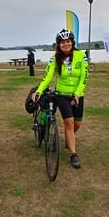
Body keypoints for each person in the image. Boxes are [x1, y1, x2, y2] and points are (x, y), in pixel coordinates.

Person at [31, 29, 88, 169]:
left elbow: (84, 77)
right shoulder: (54, 58)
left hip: (77, 94)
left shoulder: (81, 55)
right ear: (59, 44)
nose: (66, 44)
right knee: (69, 122)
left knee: (77, 125)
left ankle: (69, 139)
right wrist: (38, 90)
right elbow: (48, 77)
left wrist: (77, 93)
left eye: (68, 41)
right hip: (61, 95)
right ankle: (73, 154)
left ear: (72, 42)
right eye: (63, 42)